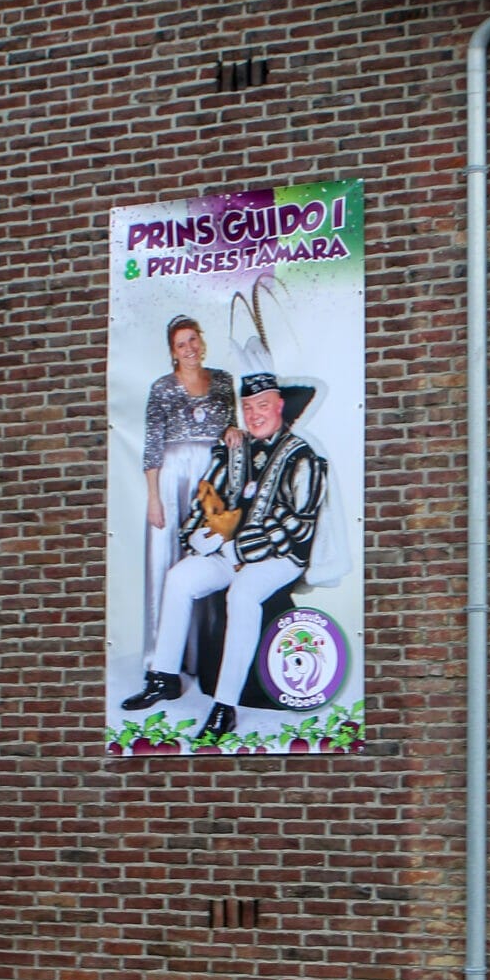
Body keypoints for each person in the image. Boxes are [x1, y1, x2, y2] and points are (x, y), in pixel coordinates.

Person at [122, 373, 327, 742]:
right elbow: (204, 502)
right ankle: (165, 677)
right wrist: (200, 537)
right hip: (227, 550)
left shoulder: (303, 457)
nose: (254, 414)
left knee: (242, 594)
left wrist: (238, 548)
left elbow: (297, 527)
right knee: (180, 577)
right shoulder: (232, 447)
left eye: (263, 405)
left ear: (280, 407)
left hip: (278, 559)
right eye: (247, 407)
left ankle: (224, 706)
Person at [141, 318, 236, 666]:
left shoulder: (223, 381)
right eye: (181, 344)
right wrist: (153, 497)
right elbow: (153, 445)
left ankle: (205, 655)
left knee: (210, 553)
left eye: (193, 339)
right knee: (167, 556)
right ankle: (163, 659)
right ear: (173, 351)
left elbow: (230, 425)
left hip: (213, 475)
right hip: (173, 476)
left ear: (202, 341)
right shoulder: (162, 387)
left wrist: (233, 431)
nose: (189, 348)